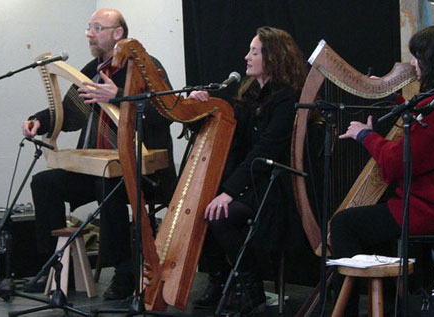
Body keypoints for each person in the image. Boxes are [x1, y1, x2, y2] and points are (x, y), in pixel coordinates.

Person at [21, 8, 176, 300]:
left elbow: (165, 111)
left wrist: (118, 97)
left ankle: (124, 270)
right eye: (89, 28)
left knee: (109, 185)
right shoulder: (94, 69)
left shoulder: (144, 66)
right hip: (96, 167)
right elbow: (70, 114)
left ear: (119, 33)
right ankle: (54, 265)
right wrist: (39, 120)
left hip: (142, 169)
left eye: (98, 28)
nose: (90, 34)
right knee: (45, 183)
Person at [330, 25, 434, 315]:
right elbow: (423, 129)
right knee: (376, 226)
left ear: (431, 60)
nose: (413, 64)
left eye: (417, 57)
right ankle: (390, 307)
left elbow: (399, 162)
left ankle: (354, 310)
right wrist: (395, 99)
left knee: (343, 224)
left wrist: (366, 136)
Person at [188, 26, 308, 314]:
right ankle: (222, 280)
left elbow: (264, 151)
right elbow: (224, 134)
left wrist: (229, 192)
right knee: (199, 206)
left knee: (219, 214)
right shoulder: (250, 93)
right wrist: (196, 110)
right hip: (251, 181)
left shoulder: (287, 99)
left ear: (273, 57)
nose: (246, 56)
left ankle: (250, 289)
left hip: (274, 186)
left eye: (254, 51)